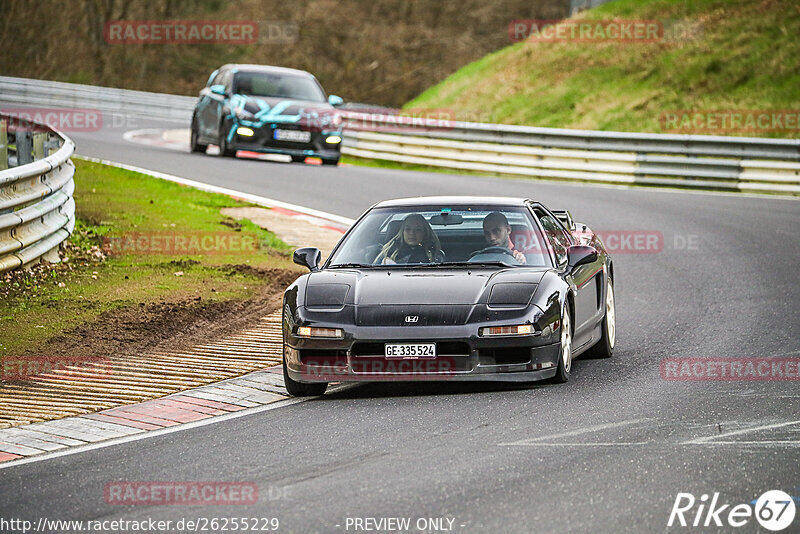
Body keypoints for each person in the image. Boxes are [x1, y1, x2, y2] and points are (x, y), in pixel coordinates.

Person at [374, 214, 444, 264]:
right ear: (402, 232)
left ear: (425, 233)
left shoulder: (434, 254)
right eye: (408, 229)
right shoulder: (388, 252)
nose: (412, 233)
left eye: (418, 229)